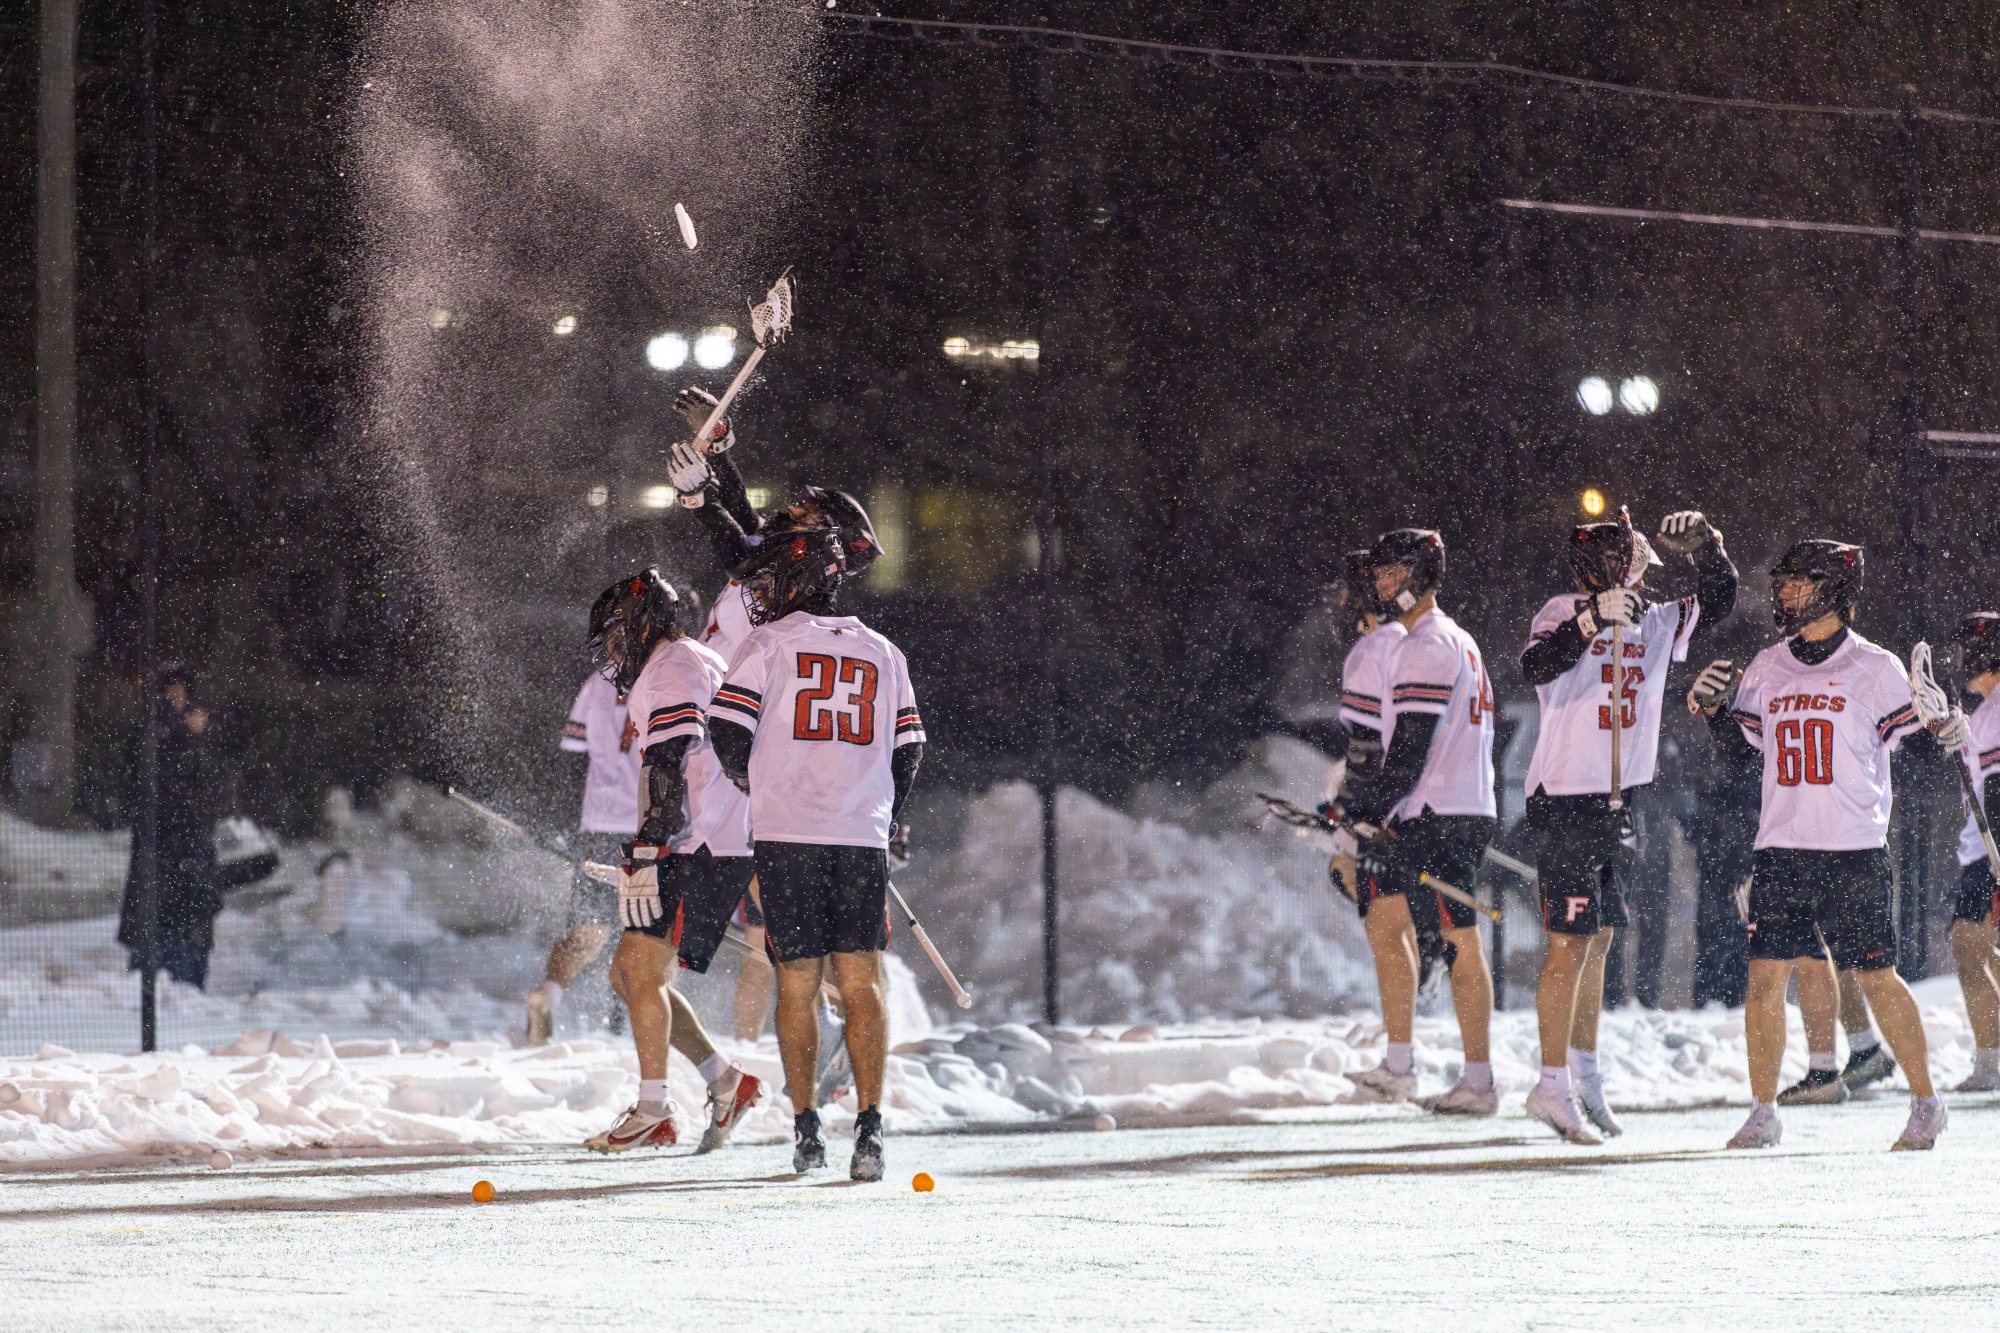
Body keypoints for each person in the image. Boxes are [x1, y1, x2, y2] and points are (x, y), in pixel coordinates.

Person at [1689, 539, 1946, 1151]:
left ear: (1834, 589)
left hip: (1853, 849)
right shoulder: (1769, 665)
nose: (1784, 594)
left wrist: (1945, 725)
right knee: (1763, 980)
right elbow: (1743, 753)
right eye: (1784, 584)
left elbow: (1922, 752)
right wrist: (1713, 712)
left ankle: (1926, 1102)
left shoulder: (1875, 667)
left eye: (1798, 583)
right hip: (1781, 846)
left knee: (1878, 977)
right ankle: (1761, 1110)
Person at [1516, 507, 1736, 1143]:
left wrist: (1709, 549)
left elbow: (1718, 600)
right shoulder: (1561, 611)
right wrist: (1591, 620)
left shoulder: (1657, 620)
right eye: (1620, 560)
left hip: (1622, 799)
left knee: (1601, 940)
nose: (1633, 570)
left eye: (1635, 561)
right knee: (1567, 944)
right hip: (1566, 799)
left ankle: (1584, 1075)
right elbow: (1535, 665)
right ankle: (1550, 1084)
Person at [710, 527, 923, 1182]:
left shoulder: (768, 641)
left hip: (789, 833)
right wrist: (888, 815)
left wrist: (756, 780)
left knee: (797, 979)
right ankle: (870, 1127)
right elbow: (909, 746)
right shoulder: (884, 650)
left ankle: (806, 1128)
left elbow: (724, 728)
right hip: (858, 834)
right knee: (861, 978)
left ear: (797, 581)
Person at [580, 570, 764, 1154]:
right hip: (703, 839)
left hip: (700, 843)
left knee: (639, 972)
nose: (612, 649)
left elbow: (669, 753)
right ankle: (725, 1080)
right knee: (631, 975)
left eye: (615, 633)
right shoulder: (685, 660)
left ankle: (655, 1110)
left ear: (638, 625)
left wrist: (649, 844)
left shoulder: (674, 667)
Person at [1335, 529, 1497, 1114]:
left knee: (1458, 943)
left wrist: (1359, 811)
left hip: (1441, 812)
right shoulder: (1448, 638)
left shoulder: (1424, 644)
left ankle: (1478, 1082)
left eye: (1394, 572)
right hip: (1445, 807)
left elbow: (1406, 752)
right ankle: (1408, 1065)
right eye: (1378, 574)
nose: (1382, 584)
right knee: (1400, 925)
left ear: (1424, 573)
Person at [1322, 550, 1437, 1105]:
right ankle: (1402, 1056)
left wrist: (1350, 819)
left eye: (1349, 593)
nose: (1342, 604)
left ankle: (1400, 1061)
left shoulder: (1374, 649)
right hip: (1427, 802)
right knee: (1402, 929)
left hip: (1392, 811)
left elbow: (1368, 747)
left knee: (1386, 932)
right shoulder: (1412, 641)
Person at [525, 668, 640, 1047]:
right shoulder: (679, 673)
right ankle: (630, 1027)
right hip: (650, 825)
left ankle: (551, 994)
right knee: (646, 938)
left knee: (586, 932)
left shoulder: (599, 681)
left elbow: (573, 754)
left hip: (599, 825)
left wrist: (562, 821)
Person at [118, 663, 225, 990]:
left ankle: (186, 980)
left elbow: (210, 779)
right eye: (170, 690)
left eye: (181, 690)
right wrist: (182, 732)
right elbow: (152, 772)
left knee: (191, 912)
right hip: (164, 839)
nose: (177, 696)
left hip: (191, 839)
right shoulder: (153, 731)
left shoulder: (195, 731)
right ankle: (161, 980)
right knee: (163, 913)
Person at [1944, 611, 2000, 1092]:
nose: (1963, 662)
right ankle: (1990, 1060)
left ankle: (1989, 1064)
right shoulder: (1982, 712)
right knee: (1980, 952)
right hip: (1981, 849)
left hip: (1992, 851)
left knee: (1968, 948)